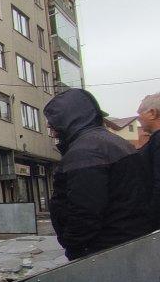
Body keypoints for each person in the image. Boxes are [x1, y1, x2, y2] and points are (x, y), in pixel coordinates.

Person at [44, 88, 153, 261]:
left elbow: (84, 211)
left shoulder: (85, 152)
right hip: (126, 245)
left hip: (104, 252)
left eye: (53, 123)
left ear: (68, 119)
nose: (51, 128)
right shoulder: (112, 142)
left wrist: (74, 247)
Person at [137, 92, 160, 229]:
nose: (138, 118)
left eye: (140, 113)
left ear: (152, 113)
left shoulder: (158, 140)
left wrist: (149, 216)